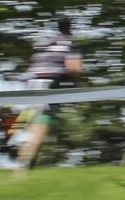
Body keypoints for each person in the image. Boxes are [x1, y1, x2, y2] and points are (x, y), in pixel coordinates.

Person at [15, 15, 83, 170]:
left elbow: (34, 60)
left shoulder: (43, 42)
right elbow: (74, 68)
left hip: (31, 80)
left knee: (32, 114)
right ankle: (25, 159)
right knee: (43, 118)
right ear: (70, 28)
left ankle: (23, 146)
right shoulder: (70, 43)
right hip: (49, 81)